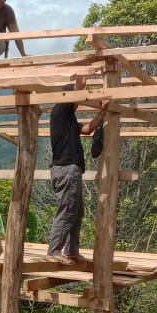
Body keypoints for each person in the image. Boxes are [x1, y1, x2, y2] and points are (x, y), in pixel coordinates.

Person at [46, 78, 108, 265]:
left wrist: (103, 112)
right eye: (77, 99)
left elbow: (88, 129)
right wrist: (86, 70)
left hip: (70, 170)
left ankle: (71, 251)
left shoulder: (68, 119)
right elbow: (78, 87)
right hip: (66, 169)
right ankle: (54, 250)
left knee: (76, 211)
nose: (79, 104)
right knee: (67, 210)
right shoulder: (60, 110)